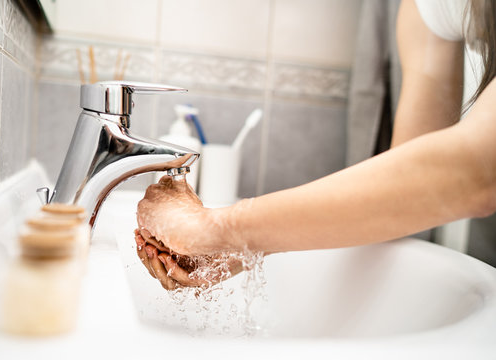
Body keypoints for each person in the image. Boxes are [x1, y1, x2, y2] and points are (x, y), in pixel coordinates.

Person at [135, 0, 496, 290]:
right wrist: (238, 251)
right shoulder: (423, 7)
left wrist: (220, 229)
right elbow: (416, 187)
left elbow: (478, 170)